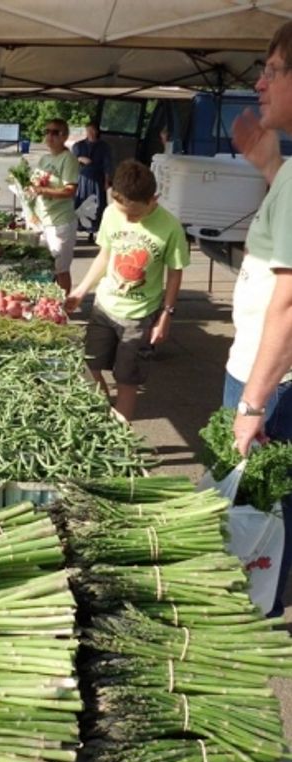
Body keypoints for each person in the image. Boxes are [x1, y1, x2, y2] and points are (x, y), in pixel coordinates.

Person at [223, 21, 292, 617]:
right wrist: (270, 165)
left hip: (270, 385)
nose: (259, 83)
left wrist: (251, 405)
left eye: (272, 71)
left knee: (261, 513)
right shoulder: (291, 172)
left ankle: (254, 620)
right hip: (264, 379)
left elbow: (290, 303)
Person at [65, 159, 189, 421]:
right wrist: (81, 290)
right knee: (89, 365)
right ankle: (101, 419)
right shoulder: (111, 213)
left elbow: (175, 273)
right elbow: (105, 255)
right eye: (123, 212)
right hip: (104, 308)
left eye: (134, 214)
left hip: (140, 318)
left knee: (127, 380)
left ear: (153, 199)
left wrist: (166, 315)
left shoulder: (170, 227)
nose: (128, 218)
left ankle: (119, 438)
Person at [31, 118, 79, 294]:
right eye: (47, 132)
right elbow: (35, 185)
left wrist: (43, 190)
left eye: (55, 132)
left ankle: (64, 308)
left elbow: (69, 191)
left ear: (65, 136)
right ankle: (50, 302)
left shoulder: (69, 159)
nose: (50, 136)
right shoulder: (44, 159)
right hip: (42, 221)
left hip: (61, 222)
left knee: (61, 269)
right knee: (45, 265)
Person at [71, 120, 112, 243]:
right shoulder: (78, 145)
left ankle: (93, 232)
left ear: (97, 131)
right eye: (89, 130)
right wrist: (80, 158)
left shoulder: (104, 146)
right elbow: (71, 162)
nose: (91, 133)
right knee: (80, 202)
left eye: (93, 130)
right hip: (82, 179)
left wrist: (106, 181)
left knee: (97, 204)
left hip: (97, 179)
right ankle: (78, 229)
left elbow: (107, 165)